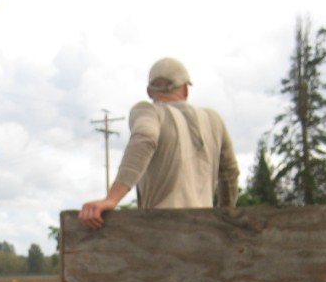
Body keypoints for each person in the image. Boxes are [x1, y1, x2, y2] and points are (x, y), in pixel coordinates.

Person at [79, 57, 239, 229]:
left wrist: (111, 199)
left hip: (161, 230)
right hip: (205, 232)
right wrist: (225, 218)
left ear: (149, 92)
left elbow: (145, 138)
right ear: (186, 89)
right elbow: (230, 173)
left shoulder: (148, 111)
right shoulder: (213, 120)